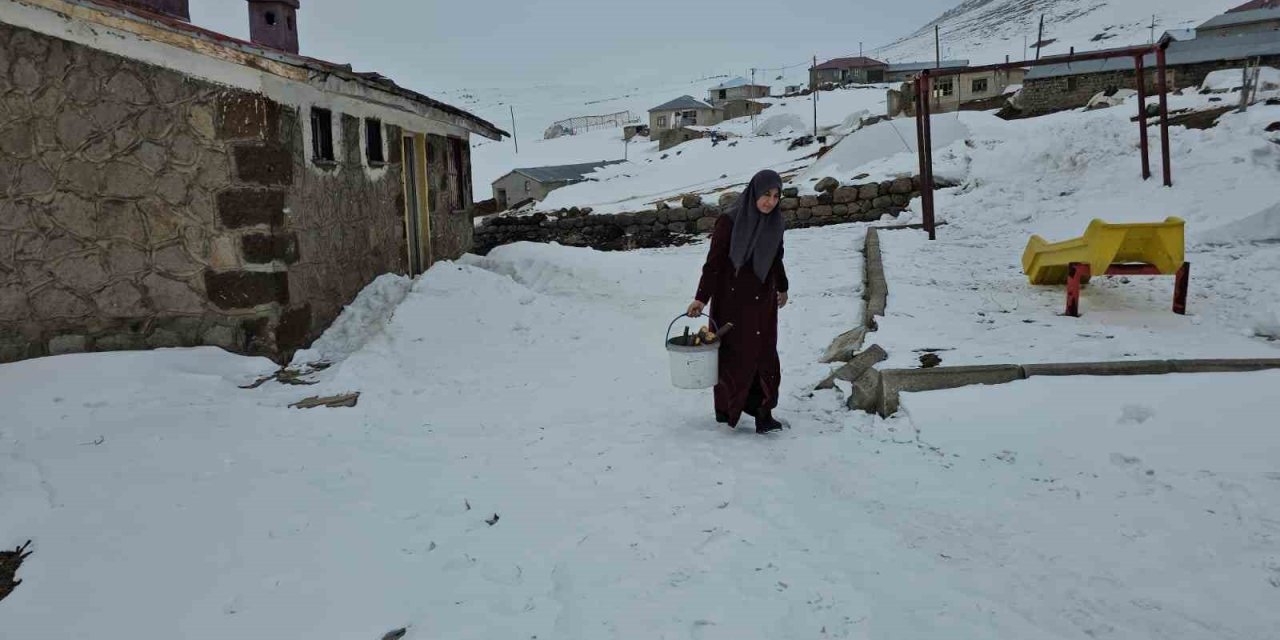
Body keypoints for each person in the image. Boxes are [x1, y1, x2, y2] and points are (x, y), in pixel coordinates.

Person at [686, 170, 789, 434]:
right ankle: (728, 408)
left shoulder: (776, 223)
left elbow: (776, 258)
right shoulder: (729, 222)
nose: (770, 201)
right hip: (731, 301)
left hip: (763, 301)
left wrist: (783, 287)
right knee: (734, 356)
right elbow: (714, 263)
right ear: (754, 192)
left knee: (765, 355)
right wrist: (701, 298)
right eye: (766, 194)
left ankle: (764, 413)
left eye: (776, 196)